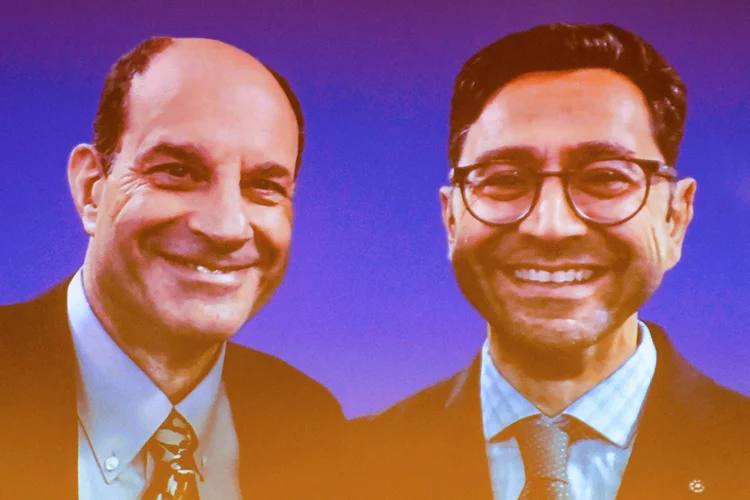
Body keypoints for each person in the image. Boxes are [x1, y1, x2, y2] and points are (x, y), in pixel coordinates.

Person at [351, 23, 750, 500]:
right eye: (503, 179)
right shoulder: (347, 464)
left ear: (675, 217)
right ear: (451, 218)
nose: (550, 226)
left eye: (604, 177)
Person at [0, 36, 344, 499]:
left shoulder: (311, 424)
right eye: (178, 171)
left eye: (263, 185)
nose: (226, 227)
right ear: (90, 190)